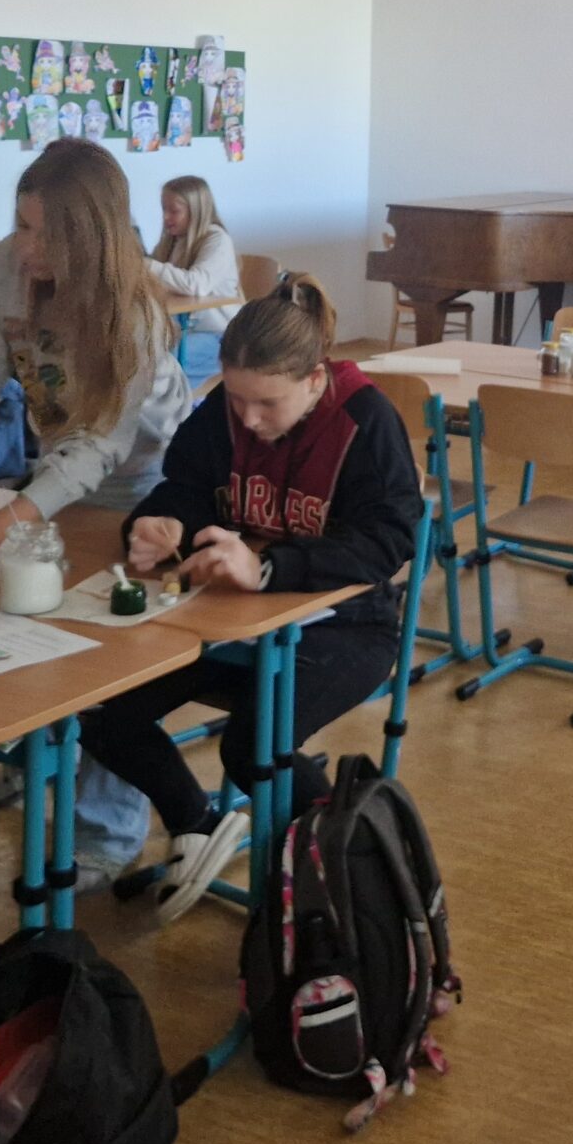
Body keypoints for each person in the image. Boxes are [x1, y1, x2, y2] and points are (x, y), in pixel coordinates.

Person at [82, 273, 422, 921]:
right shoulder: (227, 410)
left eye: (268, 403)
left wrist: (268, 568)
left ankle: (354, 870)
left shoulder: (365, 420)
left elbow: (387, 542)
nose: (248, 418)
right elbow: (184, 485)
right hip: (227, 621)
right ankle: (197, 822)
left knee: (252, 744)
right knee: (102, 708)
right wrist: (160, 523)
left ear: (315, 380)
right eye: (237, 399)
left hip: (347, 626)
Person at [0, 140, 188, 576]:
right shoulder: (7, 268)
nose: (29, 248)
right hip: (56, 469)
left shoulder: (137, 316)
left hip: (142, 483)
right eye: (24, 226)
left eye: (51, 237)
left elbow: (99, 446)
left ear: (92, 240)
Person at [148, 173, 244, 328]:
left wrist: (147, 265)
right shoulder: (172, 240)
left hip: (217, 329)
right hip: (183, 325)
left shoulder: (218, 240)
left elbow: (196, 285)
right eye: (164, 209)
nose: (165, 216)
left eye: (174, 211)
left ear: (196, 211)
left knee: (155, 343)